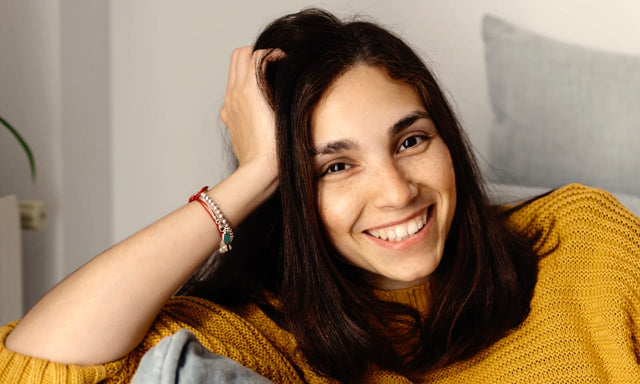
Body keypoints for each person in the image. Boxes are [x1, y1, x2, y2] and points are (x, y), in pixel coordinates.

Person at [2, 8, 639, 384]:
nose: (395, 191)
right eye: (335, 166)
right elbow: (36, 366)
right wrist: (250, 177)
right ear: (287, 192)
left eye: (411, 140)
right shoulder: (268, 333)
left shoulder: (581, 239)